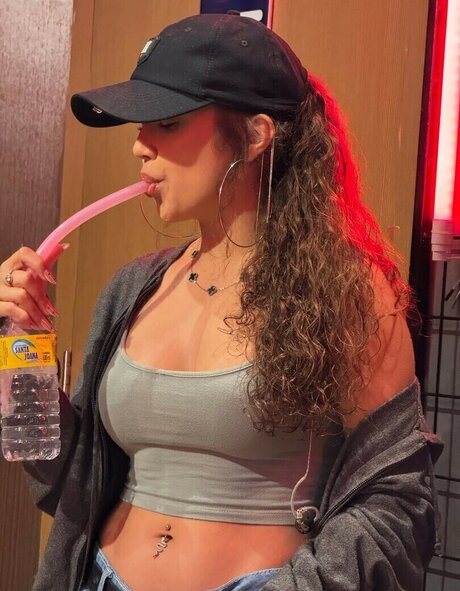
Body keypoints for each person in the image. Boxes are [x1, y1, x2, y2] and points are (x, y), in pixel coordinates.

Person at [0, 13, 442, 591]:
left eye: (168, 122)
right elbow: (67, 481)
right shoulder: (134, 288)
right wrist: (22, 345)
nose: (139, 145)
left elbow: (398, 503)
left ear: (255, 136)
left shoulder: (347, 294)